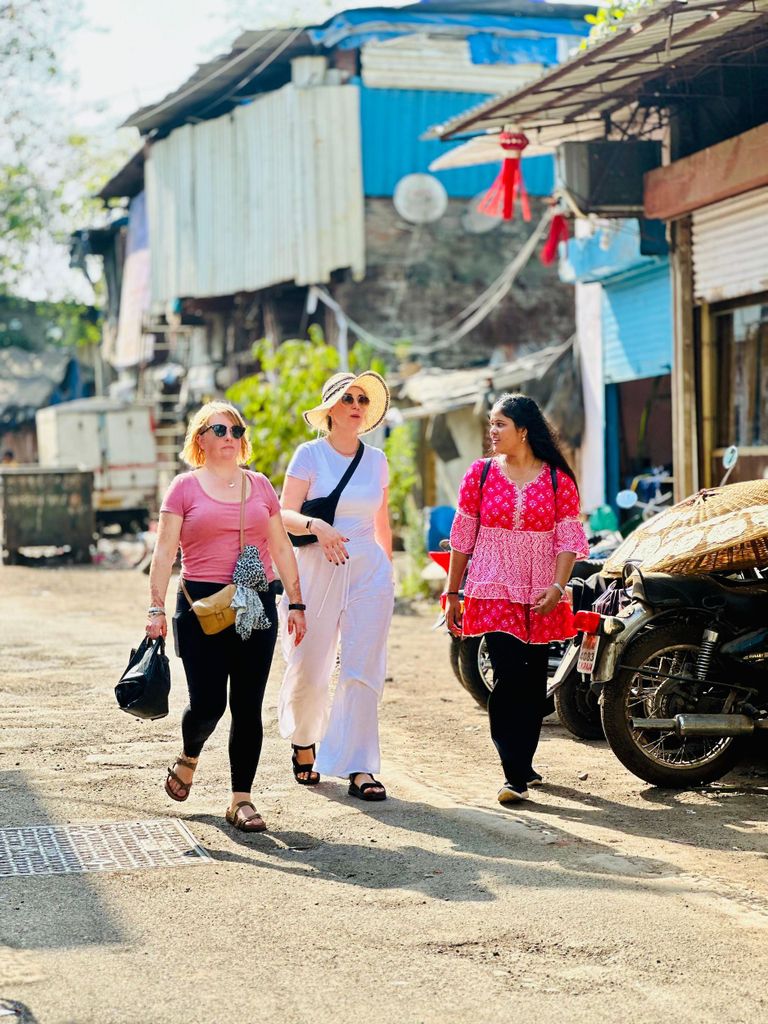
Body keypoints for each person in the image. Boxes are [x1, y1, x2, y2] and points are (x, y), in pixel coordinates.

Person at [146, 401, 307, 833]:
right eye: (219, 430)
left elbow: (280, 548)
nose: (229, 438)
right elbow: (163, 553)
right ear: (200, 439)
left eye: (236, 431)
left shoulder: (260, 486)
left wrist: (296, 601)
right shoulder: (183, 488)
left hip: (255, 603)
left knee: (248, 706)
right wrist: (155, 607)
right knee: (208, 705)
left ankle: (241, 799)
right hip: (201, 607)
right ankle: (190, 754)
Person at [444, 393, 588, 805]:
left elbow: (567, 539)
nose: (492, 432)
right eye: (491, 424)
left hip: (542, 588)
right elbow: (462, 537)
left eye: (500, 424)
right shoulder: (480, 475)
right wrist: (453, 591)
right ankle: (513, 774)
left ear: (523, 430)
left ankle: (523, 761)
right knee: (507, 676)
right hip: (491, 582)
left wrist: (558, 588)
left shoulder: (559, 478)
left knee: (532, 680)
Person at [279, 371, 394, 801]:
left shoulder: (377, 460)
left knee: (362, 669)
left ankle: (358, 764)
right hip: (318, 567)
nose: (357, 405)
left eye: (363, 399)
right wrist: (318, 526)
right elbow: (282, 514)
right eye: (348, 397)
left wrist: (390, 570)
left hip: (368, 570)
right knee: (311, 666)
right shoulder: (309, 455)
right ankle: (304, 738)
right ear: (330, 408)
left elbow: (382, 521)